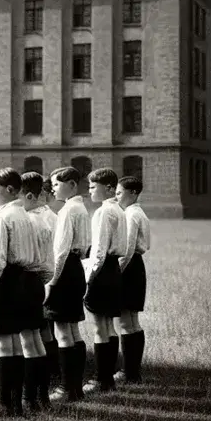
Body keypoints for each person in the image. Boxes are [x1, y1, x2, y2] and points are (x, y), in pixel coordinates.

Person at [0, 168, 45, 418]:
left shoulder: (3, 218)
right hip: (28, 279)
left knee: (4, 343)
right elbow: (38, 258)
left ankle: (4, 403)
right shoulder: (27, 216)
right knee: (18, 341)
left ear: (8, 190)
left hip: (7, 280)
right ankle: (20, 402)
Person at [46, 166, 90, 403]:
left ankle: (65, 388)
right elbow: (83, 247)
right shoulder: (81, 208)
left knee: (63, 330)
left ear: (72, 184)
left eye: (56, 183)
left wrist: (51, 282)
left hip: (64, 270)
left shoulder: (67, 211)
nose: (53, 188)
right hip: (76, 268)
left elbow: (60, 251)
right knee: (73, 329)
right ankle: (76, 387)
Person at [83, 168, 127, 393]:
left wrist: (88, 279)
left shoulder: (103, 212)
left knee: (100, 327)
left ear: (109, 187)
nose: (89, 190)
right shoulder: (119, 209)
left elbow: (98, 252)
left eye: (93, 186)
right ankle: (108, 377)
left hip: (101, 270)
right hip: (113, 270)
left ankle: (101, 379)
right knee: (109, 326)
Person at [20, 172, 55, 413]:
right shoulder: (49, 216)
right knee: (40, 335)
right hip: (44, 277)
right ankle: (41, 394)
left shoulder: (29, 220)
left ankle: (29, 396)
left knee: (29, 339)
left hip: (29, 278)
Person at [116, 175, 151, 384]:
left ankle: (130, 373)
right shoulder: (139, 212)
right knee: (131, 320)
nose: (117, 197)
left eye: (120, 193)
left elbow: (127, 250)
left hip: (128, 268)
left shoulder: (130, 215)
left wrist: (115, 273)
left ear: (133, 193)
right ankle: (132, 371)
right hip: (136, 267)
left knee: (126, 321)